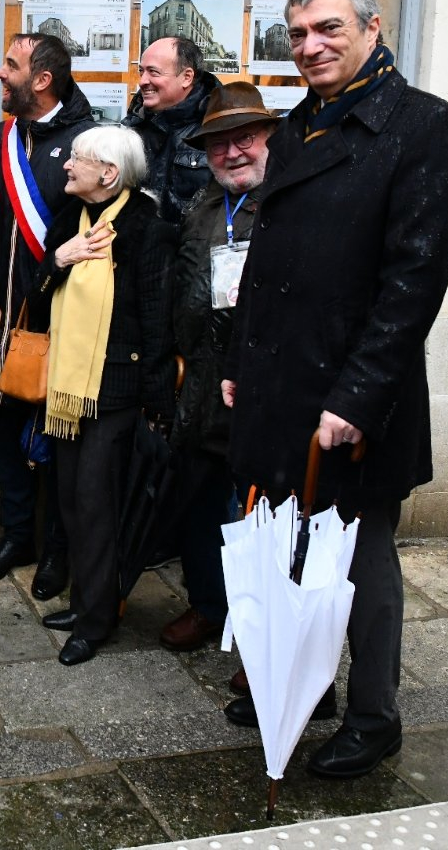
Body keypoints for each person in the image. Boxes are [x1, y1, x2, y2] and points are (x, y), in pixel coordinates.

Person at [222, 0, 448, 778]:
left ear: (372, 26)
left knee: (361, 562)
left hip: (357, 397)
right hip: (283, 385)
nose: (310, 47)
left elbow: (413, 285)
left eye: (328, 29)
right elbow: (267, 264)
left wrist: (358, 398)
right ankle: (307, 686)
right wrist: (238, 363)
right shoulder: (300, 128)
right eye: (298, 35)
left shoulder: (424, 127)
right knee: (297, 549)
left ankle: (375, 716)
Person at [31, 124, 171, 666]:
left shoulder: (147, 230)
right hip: (66, 391)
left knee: (95, 506)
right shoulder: (71, 220)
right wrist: (58, 260)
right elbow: (40, 301)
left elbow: (158, 325)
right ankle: (89, 601)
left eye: (78, 159)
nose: (66, 164)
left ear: (108, 174)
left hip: (115, 392)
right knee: (69, 502)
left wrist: (157, 405)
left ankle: (94, 622)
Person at [0, 33, 93, 598]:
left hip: (61, 315)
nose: (0, 74)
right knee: (7, 427)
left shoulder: (91, 141)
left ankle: (57, 551)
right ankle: (17, 536)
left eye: (10, 66)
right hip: (1, 316)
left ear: (41, 80)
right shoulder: (0, 138)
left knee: (62, 437)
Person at [158, 83, 279, 658]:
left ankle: (259, 626)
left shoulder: (288, 202)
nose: (233, 153)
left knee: (261, 514)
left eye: (245, 139)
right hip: (202, 378)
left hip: (263, 382)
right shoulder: (204, 205)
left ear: (270, 139)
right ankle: (209, 605)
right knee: (202, 503)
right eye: (219, 145)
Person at [123, 36, 220, 223]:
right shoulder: (130, 129)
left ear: (186, 77)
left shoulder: (217, 130)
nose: (143, 81)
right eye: (141, 71)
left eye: (153, 72)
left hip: (192, 250)